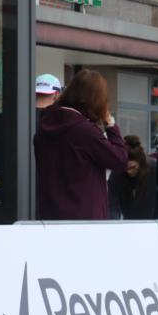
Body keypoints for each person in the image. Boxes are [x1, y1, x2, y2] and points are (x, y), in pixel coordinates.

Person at [34, 70, 127, 220]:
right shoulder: (85, 131)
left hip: (50, 216)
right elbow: (120, 160)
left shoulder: (44, 126)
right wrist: (111, 125)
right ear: (96, 100)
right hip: (85, 219)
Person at [108, 135, 156, 220]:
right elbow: (113, 205)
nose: (128, 171)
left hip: (153, 221)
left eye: (132, 167)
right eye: (125, 168)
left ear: (140, 163)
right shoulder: (117, 172)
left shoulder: (154, 169)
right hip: (128, 221)